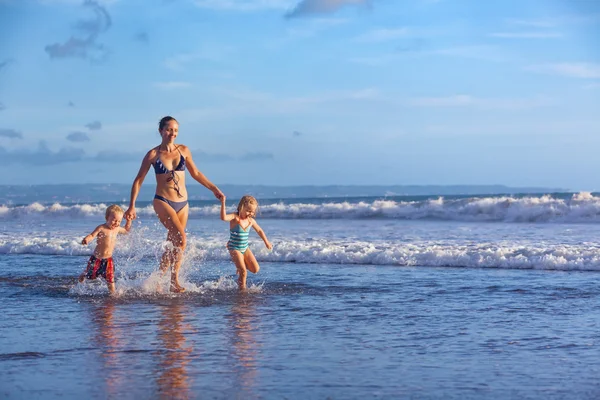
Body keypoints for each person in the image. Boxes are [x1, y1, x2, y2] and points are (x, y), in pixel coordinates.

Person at [124, 116, 224, 293]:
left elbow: (196, 173)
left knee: (173, 243)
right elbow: (138, 181)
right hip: (162, 201)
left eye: (176, 130)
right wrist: (132, 205)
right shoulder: (153, 155)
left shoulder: (184, 150)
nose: (173, 133)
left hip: (183, 204)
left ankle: (157, 281)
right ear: (161, 131)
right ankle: (173, 281)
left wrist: (213, 188)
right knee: (182, 238)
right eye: (169, 129)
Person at [220, 195, 272, 290]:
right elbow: (223, 218)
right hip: (234, 248)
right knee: (243, 272)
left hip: (245, 248)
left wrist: (266, 242)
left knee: (255, 269)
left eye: (252, 211)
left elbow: (259, 231)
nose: (250, 213)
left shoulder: (251, 221)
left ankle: (240, 266)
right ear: (241, 207)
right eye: (248, 210)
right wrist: (223, 202)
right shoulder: (235, 218)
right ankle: (242, 291)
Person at [79, 204, 133, 294]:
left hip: (108, 259)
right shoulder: (101, 228)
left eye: (119, 221)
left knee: (110, 279)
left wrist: (129, 220)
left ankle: (113, 294)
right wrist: (87, 239)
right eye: (114, 220)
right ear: (107, 218)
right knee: (90, 275)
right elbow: (92, 235)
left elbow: (127, 230)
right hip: (97, 258)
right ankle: (81, 280)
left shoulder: (117, 229)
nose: (116, 223)